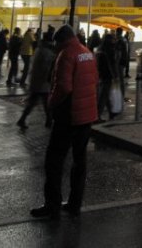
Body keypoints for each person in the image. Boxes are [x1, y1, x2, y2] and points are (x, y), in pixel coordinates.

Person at [29, 25, 99, 220]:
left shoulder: (66, 55)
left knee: (54, 161)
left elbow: (64, 87)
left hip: (69, 116)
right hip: (86, 117)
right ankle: (75, 204)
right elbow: (95, 80)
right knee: (79, 161)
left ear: (61, 41)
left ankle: (52, 204)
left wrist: (51, 103)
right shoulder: (87, 53)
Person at [18, 30, 57, 129]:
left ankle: (23, 119)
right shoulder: (47, 52)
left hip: (37, 81)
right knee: (45, 103)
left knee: (35, 102)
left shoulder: (40, 49)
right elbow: (46, 68)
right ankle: (48, 121)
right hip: (42, 82)